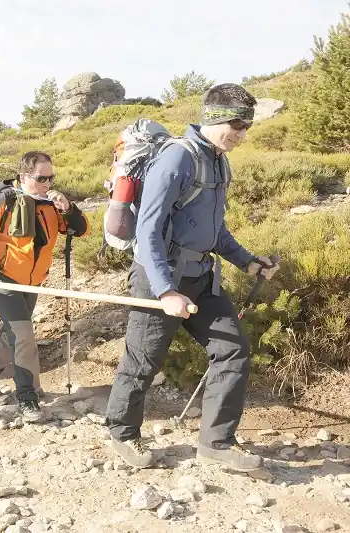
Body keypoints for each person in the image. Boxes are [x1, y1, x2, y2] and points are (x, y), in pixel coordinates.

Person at [104, 84, 281, 471]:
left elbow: (215, 231)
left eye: (246, 125)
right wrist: (166, 290)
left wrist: (247, 262)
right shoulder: (176, 160)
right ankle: (122, 433)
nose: (241, 133)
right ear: (214, 116)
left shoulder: (219, 161)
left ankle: (216, 442)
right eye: (236, 123)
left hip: (202, 277)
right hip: (159, 278)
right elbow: (148, 230)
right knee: (143, 360)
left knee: (232, 350)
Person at [0, 152, 89, 422]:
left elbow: (80, 230)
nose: (47, 183)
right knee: (23, 334)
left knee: (12, 334)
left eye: (50, 177)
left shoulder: (51, 204)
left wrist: (69, 209)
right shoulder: (2, 202)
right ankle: (28, 396)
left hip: (32, 282)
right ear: (23, 177)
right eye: (41, 178)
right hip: (1, 276)